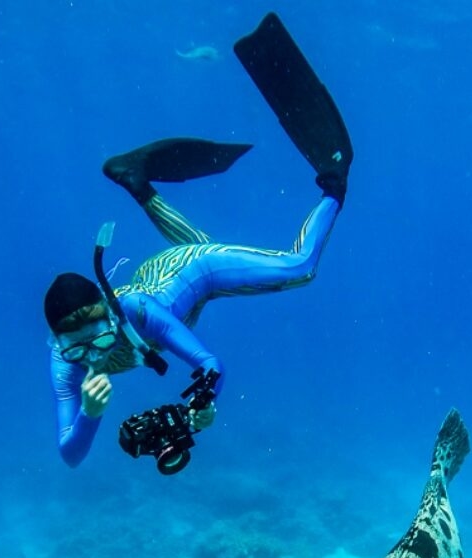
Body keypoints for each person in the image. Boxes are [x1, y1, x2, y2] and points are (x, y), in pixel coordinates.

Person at [44, 13, 353, 468]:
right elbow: (70, 453)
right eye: (77, 348)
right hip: (164, 275)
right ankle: (136, 182)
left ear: (110, 309)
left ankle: (334, 184)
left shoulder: (135, 314)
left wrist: (198, 405)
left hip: (190, 276)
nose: (95, 353)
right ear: (59, 343)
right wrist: (92, 414)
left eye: (97, 336)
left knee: (298, 267)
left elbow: (210, 364)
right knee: (195, 251)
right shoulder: (63, 365)